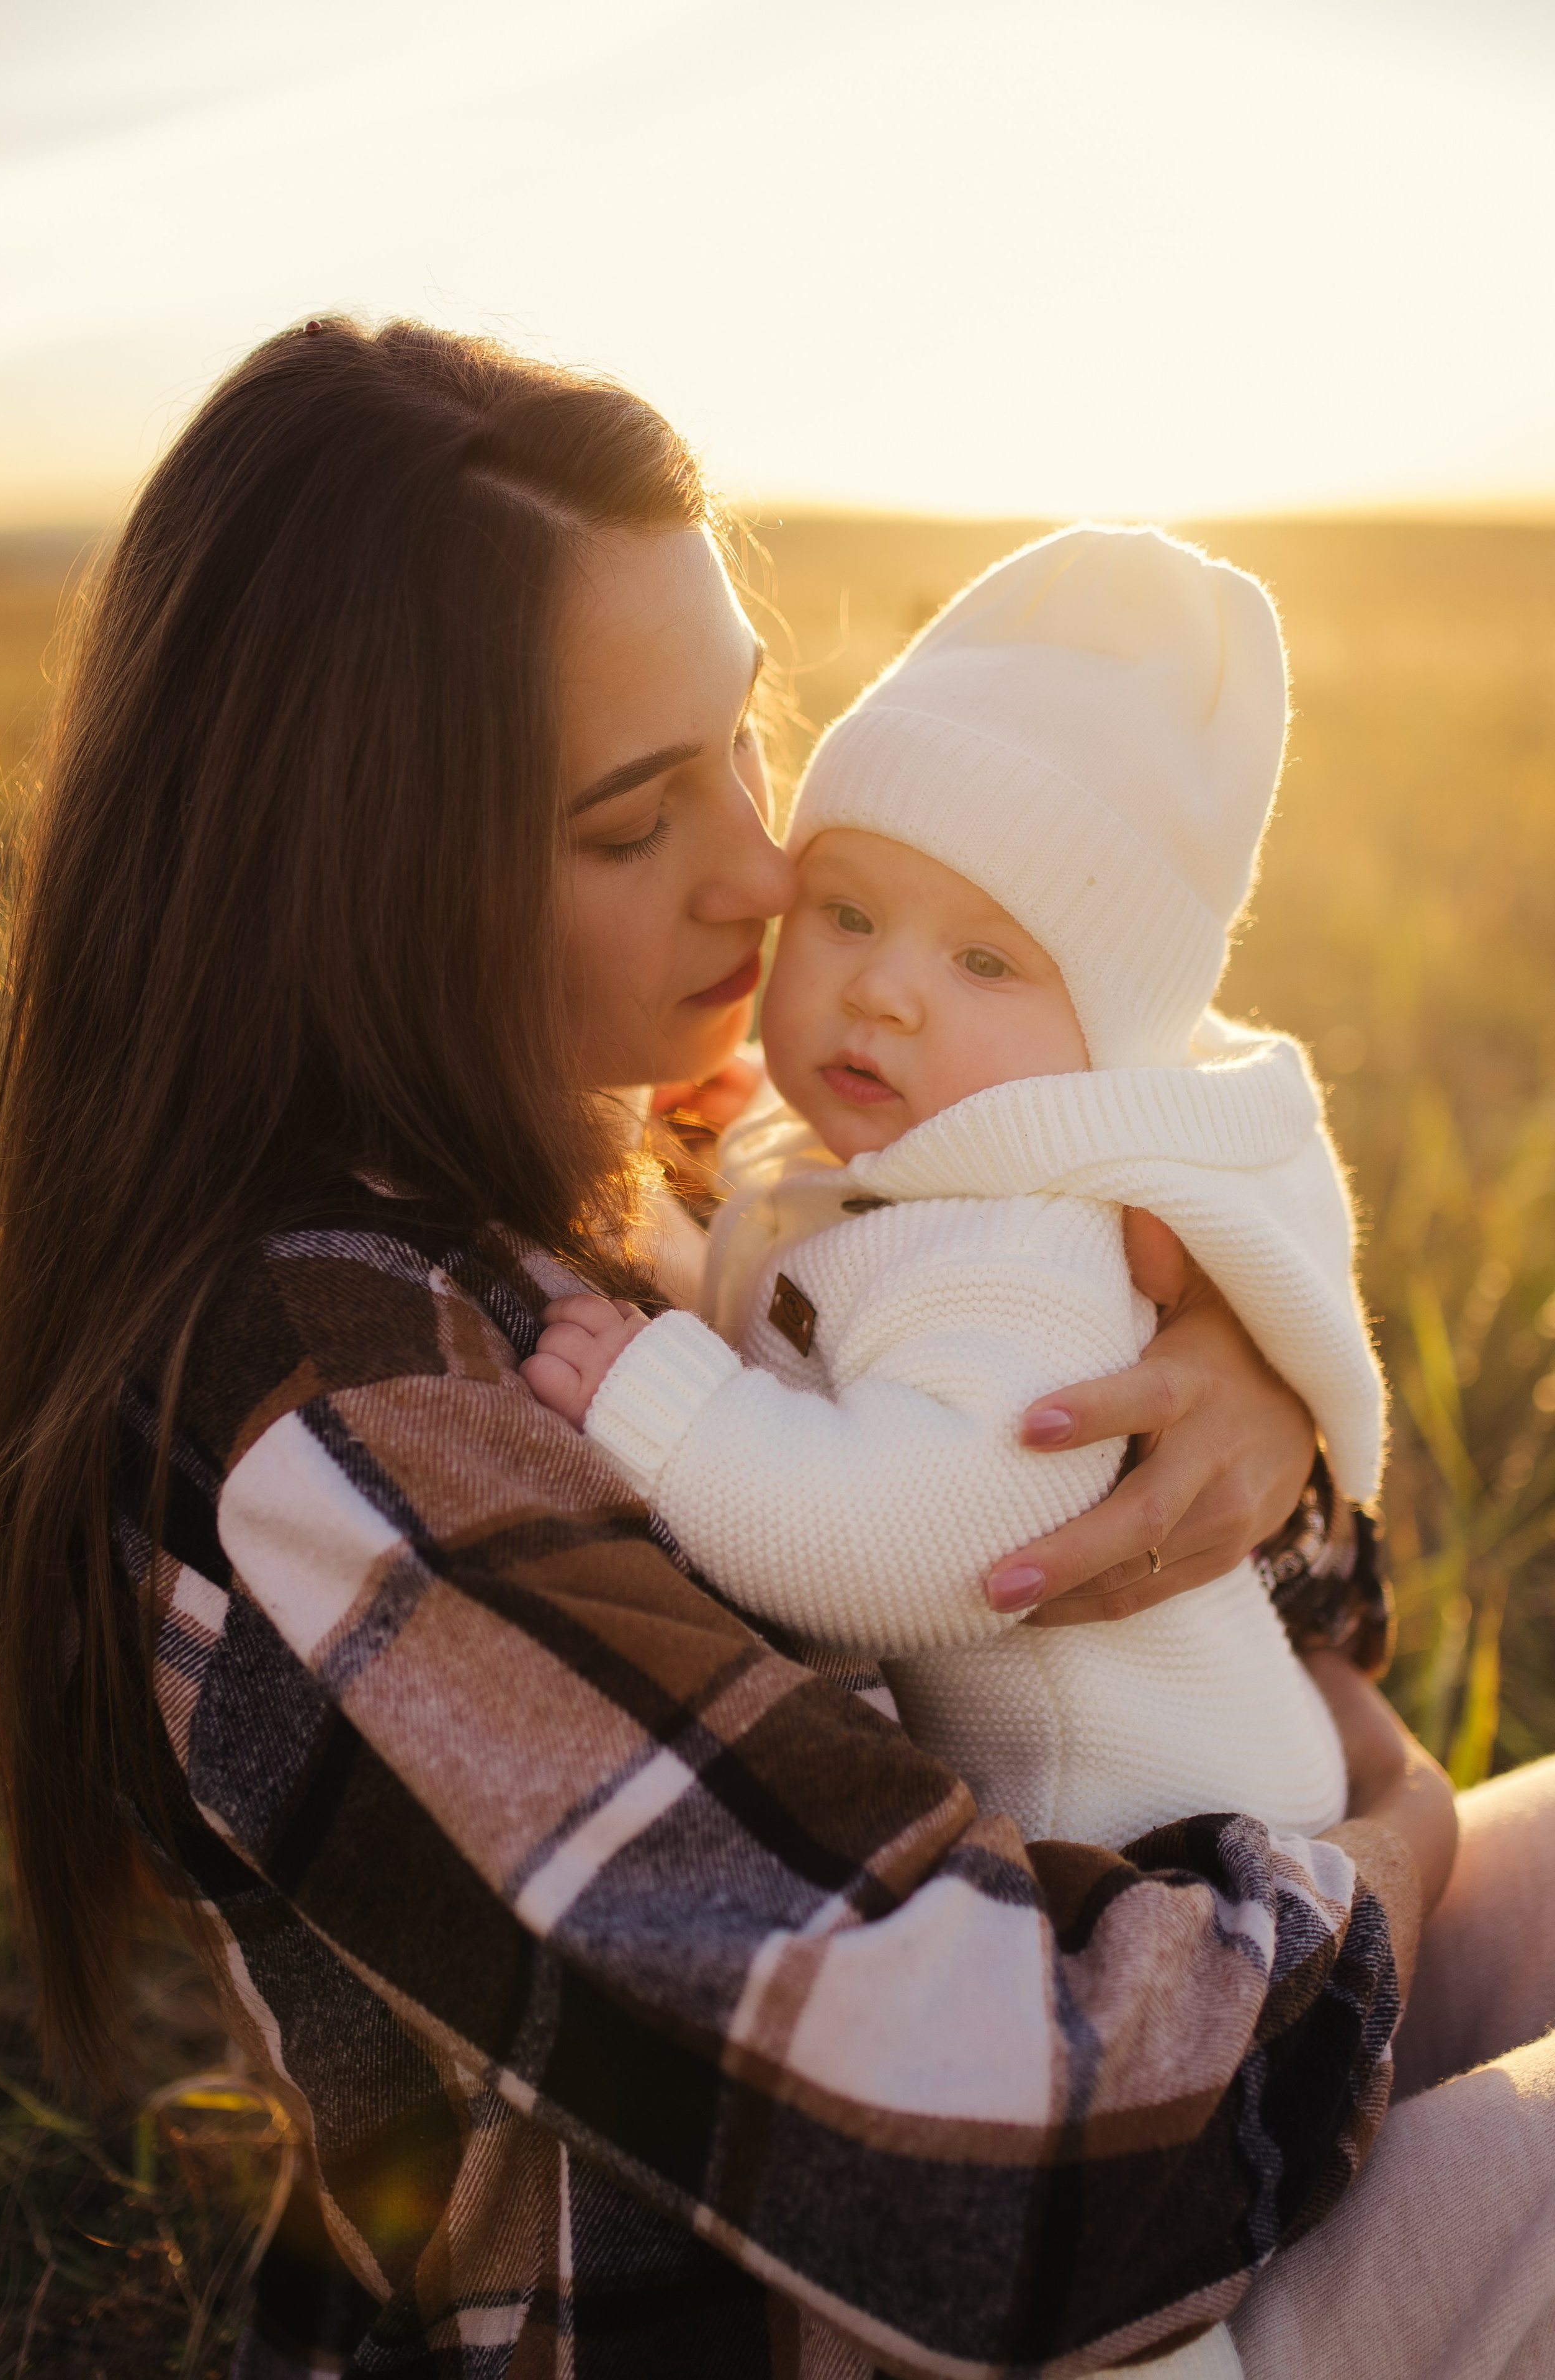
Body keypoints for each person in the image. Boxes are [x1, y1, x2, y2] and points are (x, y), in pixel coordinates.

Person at [0, 317, 1528, 2380]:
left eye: (748, 743)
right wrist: (1383, 1863)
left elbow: (1267, 1620)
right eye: (633, 823)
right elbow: (1004, 2180)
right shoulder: (338, 1422)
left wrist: (1220, 1394)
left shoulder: (646, 1169)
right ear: (362, 880)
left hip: (1116, 1990)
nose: (768, 867)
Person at [523, 524, 1378, 1861]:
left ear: (1104, 1038)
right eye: (848, 915)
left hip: (1187, 1869)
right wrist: (764, 1134)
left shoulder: (1022, 1252)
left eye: (984, 962)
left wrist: (668, 1416)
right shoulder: (914, 1164)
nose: (882, 990)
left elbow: (919, 1534)